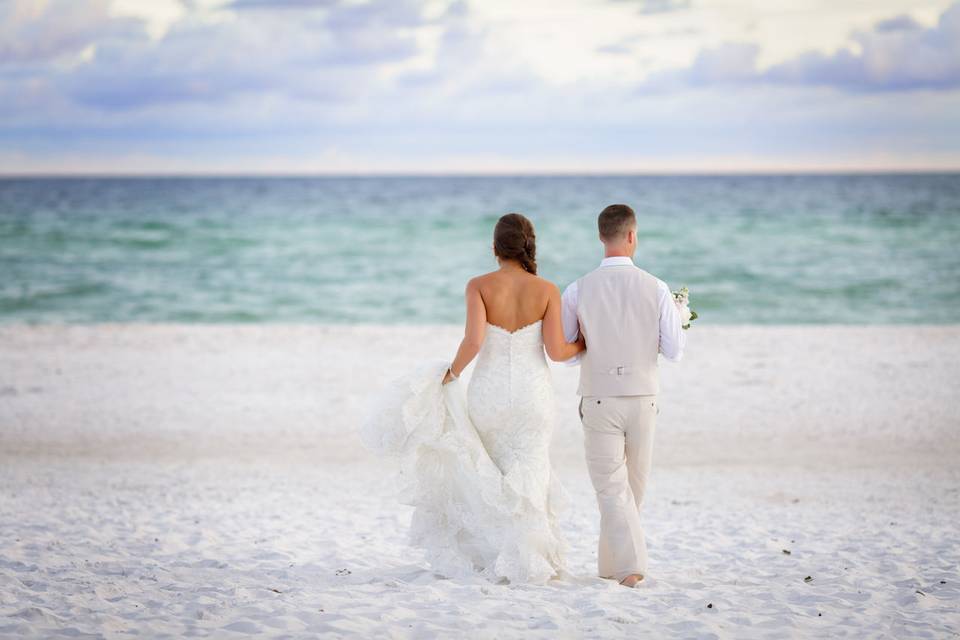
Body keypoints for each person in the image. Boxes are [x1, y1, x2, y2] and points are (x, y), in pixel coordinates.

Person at [361, 212, 584, 584]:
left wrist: (451, 374)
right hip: (533, 395)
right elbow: (558, 352)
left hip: (490, 394)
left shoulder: (479, 285)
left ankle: (496, 556)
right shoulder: (546, 289)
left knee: (490, 472)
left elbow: (474, 342)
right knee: (531, 468)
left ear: (495, 248)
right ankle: (533, 558)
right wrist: (585, 342)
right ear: (529, 246)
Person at [561, 203, 685, 588]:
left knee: (616, 489)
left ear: (601, 237)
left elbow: (569, 351)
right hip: (644, 397)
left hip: (599, 397)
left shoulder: (577, 289)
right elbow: (674, 351)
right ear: (632, 235)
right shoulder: (657, 287)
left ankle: (614, 565)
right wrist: (680, 317)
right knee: (630, 487)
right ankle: (628, 568)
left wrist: (594, 338)